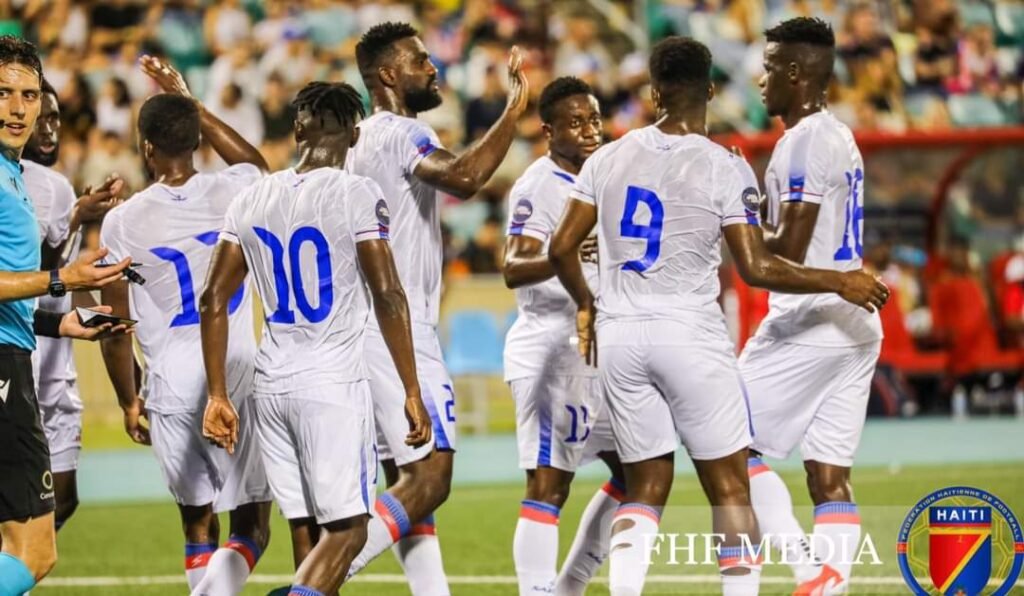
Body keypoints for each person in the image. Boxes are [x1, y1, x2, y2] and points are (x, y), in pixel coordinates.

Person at [548, 36, 889, 596]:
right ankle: (808, 577)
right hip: (692, 334)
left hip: (620, 337)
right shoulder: (727, 164)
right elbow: (756, 265)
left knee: (645, 485)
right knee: (731, 485)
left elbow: (561, 248)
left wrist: (588, 306)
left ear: (652, 92)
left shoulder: (605, 158)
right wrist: (841, 279)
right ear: (709, 90)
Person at [200, 81, 431, 596]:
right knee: (349, 529)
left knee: (305, 528)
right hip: (331, 382)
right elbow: (389, 294)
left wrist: (218, 393)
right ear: (353, 133)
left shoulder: (251, 197)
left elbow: (213, 299)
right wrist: (412, 390)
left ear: (298, 126)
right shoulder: (356, 193)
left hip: (271, 383)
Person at [344, 21, 527, 592]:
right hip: (397, 327)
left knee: (408, 480)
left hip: (359, 328)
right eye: (421, 60)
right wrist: (514, 107)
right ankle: (319, 578)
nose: (434, 68)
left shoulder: (356, 139)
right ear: (389, 75)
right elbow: (465, 177)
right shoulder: (400, 134)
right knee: (432, 476)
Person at [97, 56, 272, 596]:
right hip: (235, 370)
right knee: (253, 525)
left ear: (146, 147)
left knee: (197, 522)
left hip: (169, 383)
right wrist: (193, 101)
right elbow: (257, 164)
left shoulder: (122, 220)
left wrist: (130, 399)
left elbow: (113, 323)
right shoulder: (232, 191)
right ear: (198, 139)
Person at [738, 17, 886, 595]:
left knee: (724, 441)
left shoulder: (801, 144)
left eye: (770, 68)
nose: (761, 81)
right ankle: (833, 586)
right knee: (830, 478)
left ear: (796, 74)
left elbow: (785, 250)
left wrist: (735, 217)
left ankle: (806, 570)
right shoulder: (837, 135)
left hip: (810, 320)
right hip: (854, 329)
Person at [0, 34, 131, 596]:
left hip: (15, 355)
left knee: (21, 543)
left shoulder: (14, 173)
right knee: (36, 547)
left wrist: (60, 322)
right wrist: (63, 279)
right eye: (4, 93)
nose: (18, 108)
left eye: (29, 95)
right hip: (4, 369)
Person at [499, 75, 623, 596]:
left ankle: (568, 587)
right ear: (548, 130)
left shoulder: (605, 175)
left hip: (598, 348)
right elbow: (512, 265)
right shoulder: (538, 184)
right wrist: (562, 253)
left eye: (594, 119)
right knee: (549, 483)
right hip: (552, 347)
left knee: (637, 473)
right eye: (575, 122)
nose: (590, 130)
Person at [22, 77, 123, 534]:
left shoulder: (59, 188)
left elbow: (64, 282)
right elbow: (33, 277)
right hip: (19, 352)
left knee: (62, 500)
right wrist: (77, 218)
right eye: (38, 118)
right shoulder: (20, 185)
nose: (47, 128)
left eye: (54, 118)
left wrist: (100, 313)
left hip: (55, 361)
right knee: (23, 509)